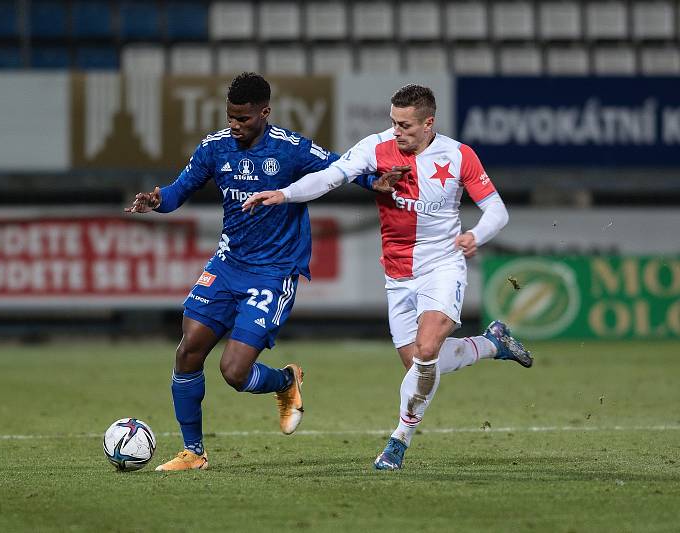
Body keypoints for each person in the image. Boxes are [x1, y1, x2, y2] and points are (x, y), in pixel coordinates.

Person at [242, 84, 533, 471]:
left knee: (427, 350)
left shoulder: (459, 155)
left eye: (407, 125)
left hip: (443, 265)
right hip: (398, 275)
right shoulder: (375, 148)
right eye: (393, 123)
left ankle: (399, 440)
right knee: (418, 362)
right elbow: (331, 176)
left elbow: (497, 210)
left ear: (429, 123)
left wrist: (475, 235)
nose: (397, 132)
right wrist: (284, 193)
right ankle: (492, 343)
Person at [124, 72, 395, 471]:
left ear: (264, 112)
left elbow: (342, 168)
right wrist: (156, 199)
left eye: (244, 119)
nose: (234, 125)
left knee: (233, 372)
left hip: (274, 271)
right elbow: (178, 191)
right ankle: (193, 453)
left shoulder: (291, 149)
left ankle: (285, 382)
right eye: (230, 117)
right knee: (188, 350)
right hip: (228, 263)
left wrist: (376, 181)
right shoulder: (214, 148)